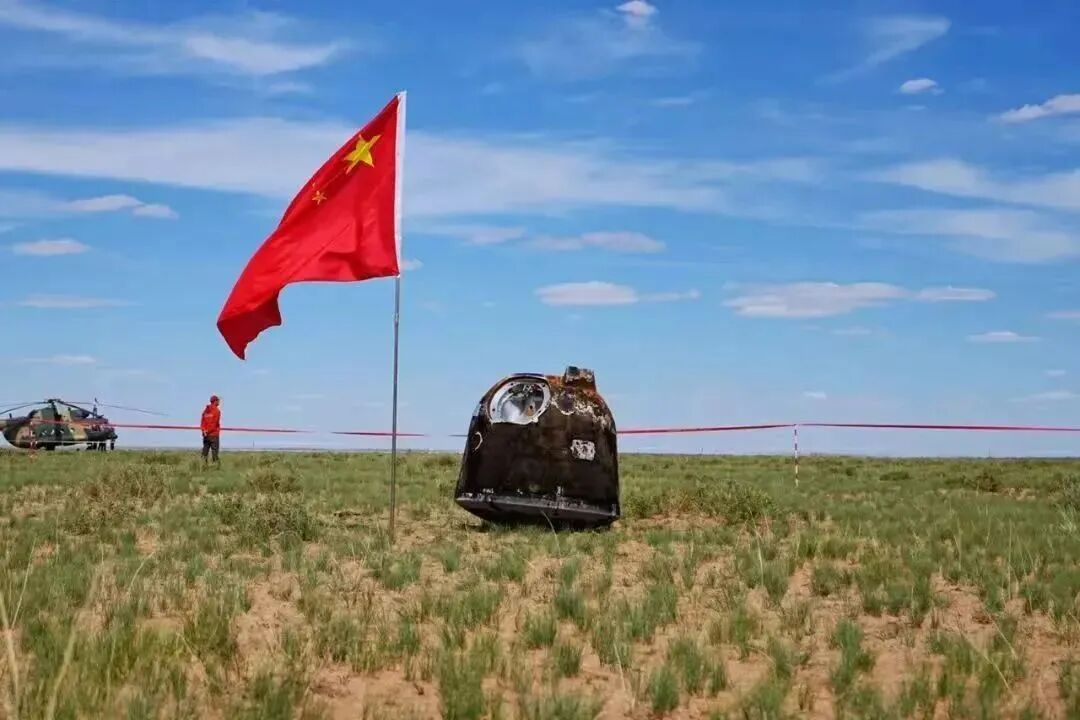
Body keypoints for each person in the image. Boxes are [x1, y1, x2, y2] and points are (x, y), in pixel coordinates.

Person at [200, 395, 221, 465]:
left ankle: (203, 466)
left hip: (206, 435)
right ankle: (215, 467)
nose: (219, 402)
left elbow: (202, 423)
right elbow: (215, 424)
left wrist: (204, 431)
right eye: (218, 400)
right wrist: (207, 431)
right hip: (213, 435)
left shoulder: (205, 411)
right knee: (215, 453)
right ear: (215, 401)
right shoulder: (217, 411)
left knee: (205, 452)